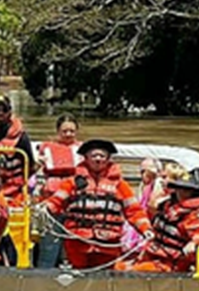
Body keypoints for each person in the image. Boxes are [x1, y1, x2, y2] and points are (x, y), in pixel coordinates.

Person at [43, 139, 152, 271]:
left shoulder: (120, 185)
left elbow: (134, 211)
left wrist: (146, 229)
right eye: (94, 156)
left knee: (105, 279)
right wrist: (45, 209)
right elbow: (56, 202)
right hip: (77, 243)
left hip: (108, 245)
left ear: (108, 159)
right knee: (78, 278)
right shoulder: (72, 182)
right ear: (86, 158)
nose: (98, 159)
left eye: (102, 156)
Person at [119, 178, 199, 273]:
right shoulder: (168, 205)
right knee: (118, 266)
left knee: (131, 270)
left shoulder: (198, 213)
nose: (181, 192)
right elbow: (150, 212)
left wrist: (194, 243)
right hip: (152, 254)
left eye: (186, 190)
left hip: (171, 262)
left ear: (194, 192)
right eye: (179, 188)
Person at [34, 115, 83, 268]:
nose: (68, 134)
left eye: (72, 131)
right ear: (57, 131)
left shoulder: (83, 150)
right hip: (51, 202)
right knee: (49, 244)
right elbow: (33, 170)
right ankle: (43, 274)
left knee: (71, 244)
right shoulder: (46, 149)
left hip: (74, 203)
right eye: (64, 131)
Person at [121, 157, 161, 251]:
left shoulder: (157, 183)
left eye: (144, 171)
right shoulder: (143, 186)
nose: (142, 175)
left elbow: (153, 205)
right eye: (141, 172)